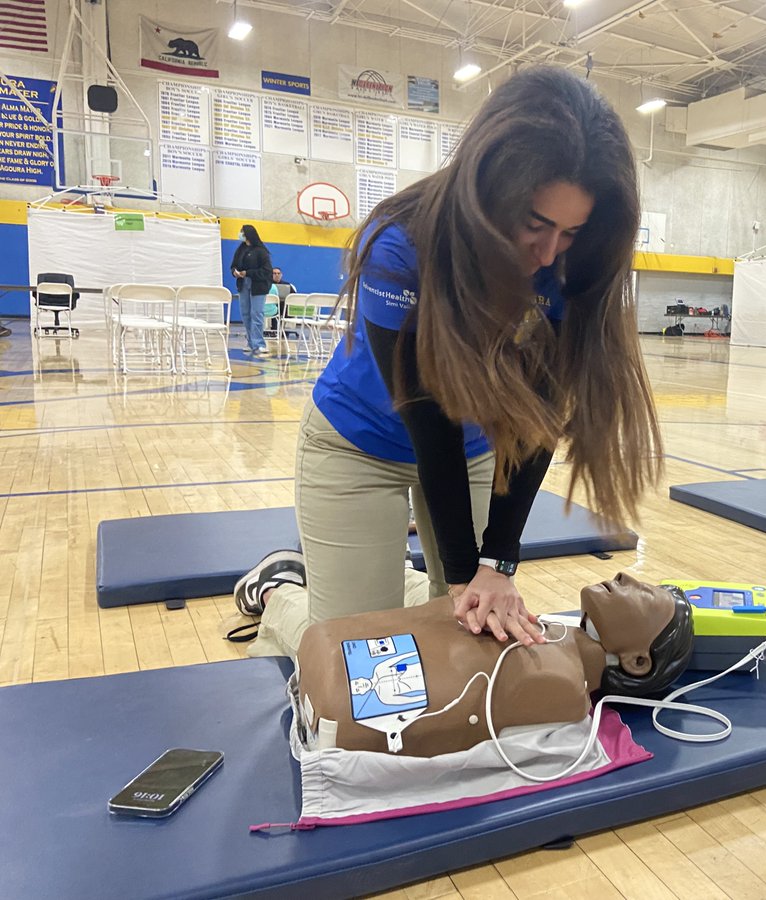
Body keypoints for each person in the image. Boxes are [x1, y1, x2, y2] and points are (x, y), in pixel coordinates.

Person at [237, 67, 662, 659]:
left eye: (570, 231)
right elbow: (426, 417)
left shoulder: (568, 265)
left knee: (470, 631)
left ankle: (398, 590)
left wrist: (499, 564)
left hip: (478, 450)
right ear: (487, 191)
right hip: (360, 442)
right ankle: (284, 591)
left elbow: (538, 420)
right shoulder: (399, 245)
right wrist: (468, 574)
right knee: (354, 655)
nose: (547, 252)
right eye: (535, 224)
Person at [294, 571, 693, 756]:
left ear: (638, 661)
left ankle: (274, 594)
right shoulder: (546, 634)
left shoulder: (560, 684)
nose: (627, 575)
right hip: (333, 663)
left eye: (646, 595)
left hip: (337, 693)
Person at [230, 224, 273, 358]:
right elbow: (234, 265)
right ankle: (250, 342)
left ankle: (259, 343)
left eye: (242, 232)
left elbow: (266, 271)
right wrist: (235, 272)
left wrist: (248, 273)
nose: (240, 234)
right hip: (243, 285)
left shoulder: (261, 251)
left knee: (257, 313)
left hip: (258, 286)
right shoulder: (241, 249)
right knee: (245, 314)